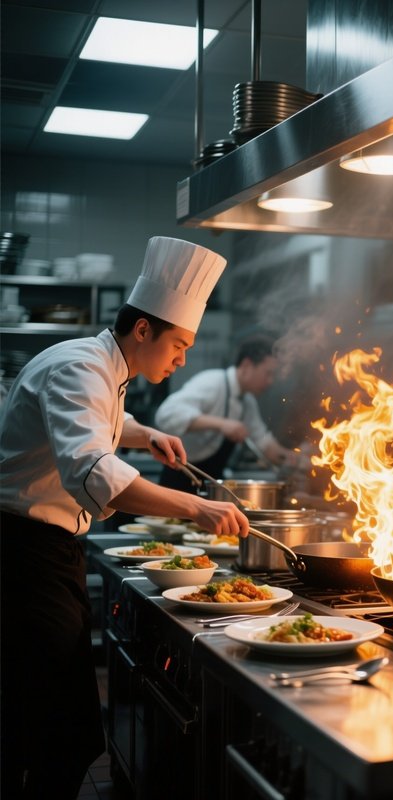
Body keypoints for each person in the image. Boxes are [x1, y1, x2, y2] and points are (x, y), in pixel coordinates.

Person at [0, 236, 250, 799]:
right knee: (49, 728)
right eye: (179, 345)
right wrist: (198, 507)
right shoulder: (79, 369)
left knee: (47, 720)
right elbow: (91, 469)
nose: (182, 358)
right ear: (144, 330)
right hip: (24, 558)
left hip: (43, 554)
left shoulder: (100, 367)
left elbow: (102, 419)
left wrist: (146, 433)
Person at [154, 333, 297, 492]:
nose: (270, 381)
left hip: (212, 482)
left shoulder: (247, 403)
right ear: (247, 365)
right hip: (179, 479)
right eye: (267, 373)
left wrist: (291, 457)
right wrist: (222, 424)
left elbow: (263, 443)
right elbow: (166, 414)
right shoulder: (212, 382)